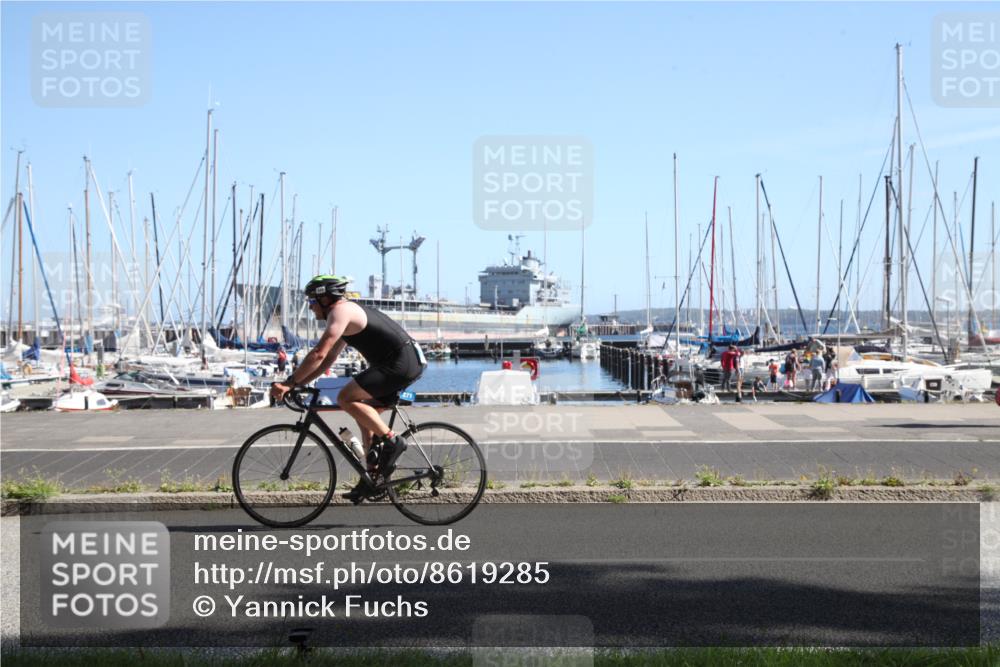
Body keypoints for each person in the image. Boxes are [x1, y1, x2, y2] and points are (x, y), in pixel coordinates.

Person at [270, 275, 426, 503]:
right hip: (405, 361)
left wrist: (289, 383)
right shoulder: (345, 315)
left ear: (325, 298)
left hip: (400, 363)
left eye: (312, 301)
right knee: (363, 415)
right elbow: (328, 360)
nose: (310, 307)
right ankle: (372, 478)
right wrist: (300, 383)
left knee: (345, 397)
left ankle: (393, 441)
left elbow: (318, 353)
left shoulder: (340, 312)